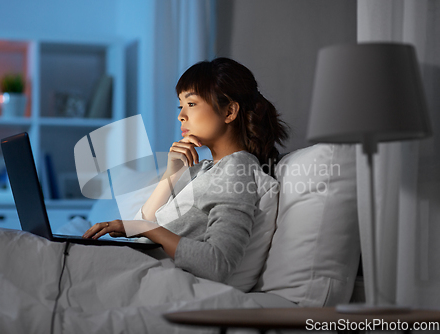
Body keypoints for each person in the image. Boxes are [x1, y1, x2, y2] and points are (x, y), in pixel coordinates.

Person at [83, 57, 289, 285]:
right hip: (132, 268)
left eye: (191, 104)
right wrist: (171, 173)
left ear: (230, 111)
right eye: (180, 105)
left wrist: (144, 228)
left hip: (150, 280)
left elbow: (217, 264)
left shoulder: (237, 169)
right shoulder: (204, 169)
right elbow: (143, 223)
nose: (181, 115)